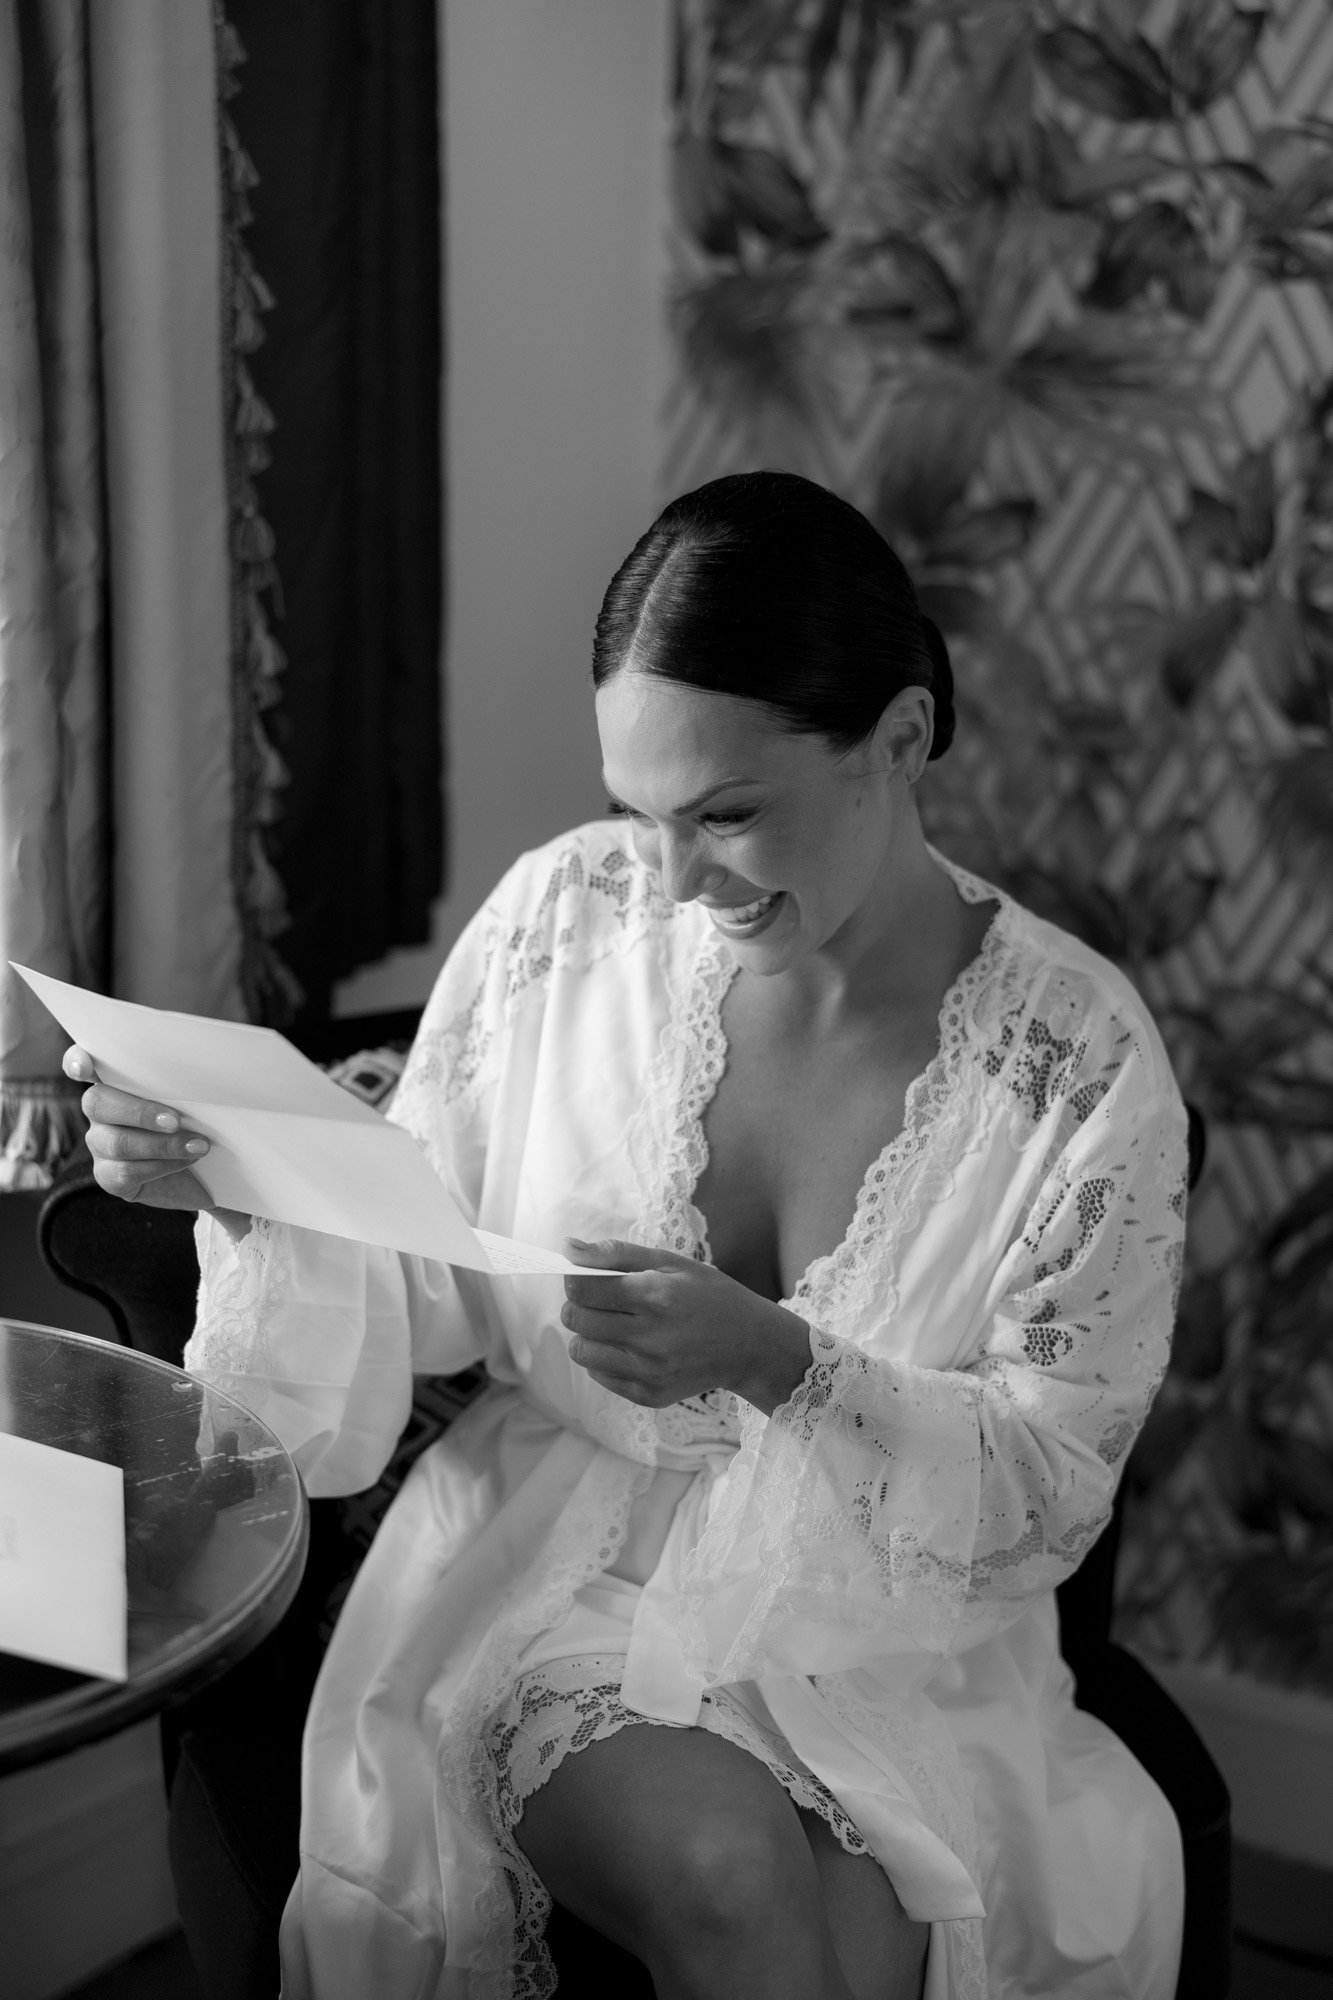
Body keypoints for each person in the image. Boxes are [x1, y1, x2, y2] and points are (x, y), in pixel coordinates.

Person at [69, 472, 1187, 2000]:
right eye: (637, 815)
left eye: (726, 813)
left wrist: (783, 1364)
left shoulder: (1082, 1064)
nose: (671, 882)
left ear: (902, 737)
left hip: (888, 1621)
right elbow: (424, 1268)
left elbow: (1051, 1479)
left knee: (864, 1952)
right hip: (567, 1564)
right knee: (728, 1885)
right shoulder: (563, 922)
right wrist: (243, 1180)